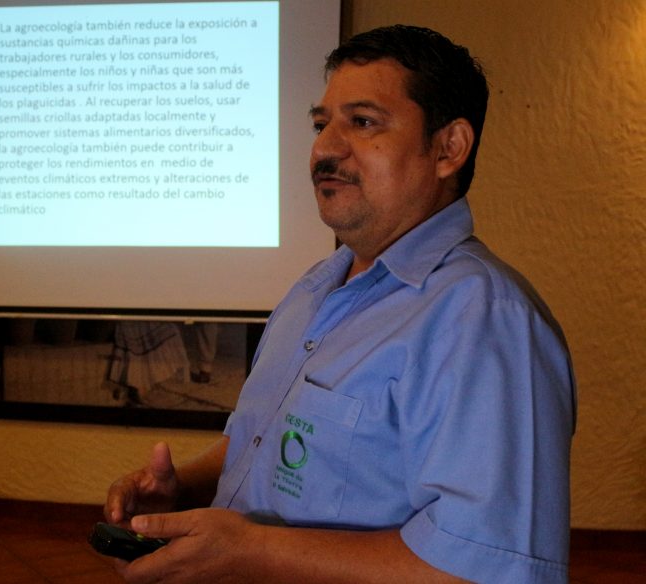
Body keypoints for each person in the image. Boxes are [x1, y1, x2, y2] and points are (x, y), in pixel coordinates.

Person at [104, 25, 576, 583]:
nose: (324, 148)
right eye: (321, 123)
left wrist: (251, 551)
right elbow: (267, 438)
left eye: (363, 121)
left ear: (449, 148)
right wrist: (186, 486)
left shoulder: (486, 321)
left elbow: (489, 570)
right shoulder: (314, 289)